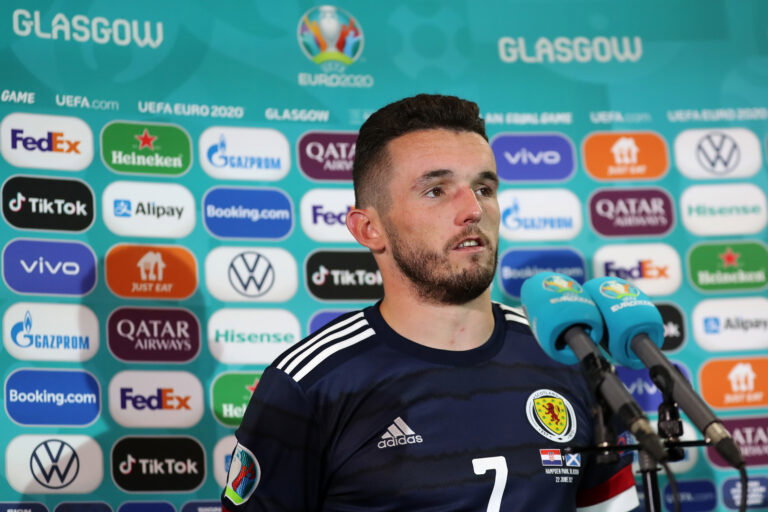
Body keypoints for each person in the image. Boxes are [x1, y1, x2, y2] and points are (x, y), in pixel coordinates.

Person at [222, 94, 639, 511]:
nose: (472, 210)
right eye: (436, 190)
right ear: (368, 229)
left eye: (484, 188)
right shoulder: (311, 386)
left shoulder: (569, 357)